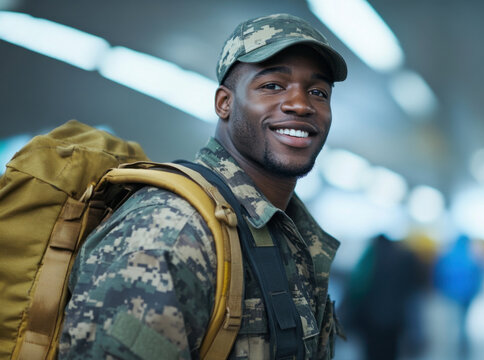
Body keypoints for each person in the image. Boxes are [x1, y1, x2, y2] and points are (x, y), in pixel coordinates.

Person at [59, 13, 348, 359]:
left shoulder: (286, 232)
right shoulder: (173, 230)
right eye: (272, 86)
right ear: (224, 103)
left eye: (318, 92)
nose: (301, 105)